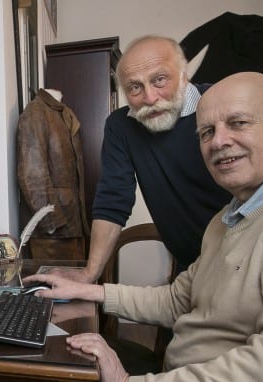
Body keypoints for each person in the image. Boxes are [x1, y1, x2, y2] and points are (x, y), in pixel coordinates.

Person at [24, 72, 263, 382]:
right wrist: (92, 291)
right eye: (206, 132)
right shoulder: (228, 217)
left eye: (237, 123)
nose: (219, 141)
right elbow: (177, 299)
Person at [60, 35, 231, 284]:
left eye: (159, 80)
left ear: (184, 77)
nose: (150, 98)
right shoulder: (120, 127)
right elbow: (112, 201)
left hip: (247, 261)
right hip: (190, 268)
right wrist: (89, 273)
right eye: (135, 87)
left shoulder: (221, 105)